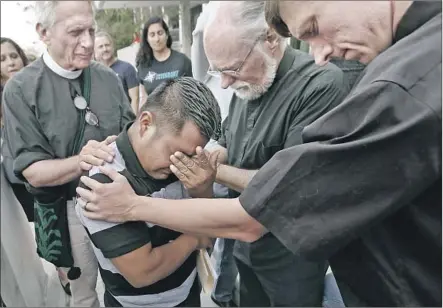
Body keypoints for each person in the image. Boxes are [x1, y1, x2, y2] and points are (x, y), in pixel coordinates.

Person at [77, 0, 442, 306]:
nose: (225, 82)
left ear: (269, 41)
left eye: (313, 28)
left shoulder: (343, 83)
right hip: (244, 253)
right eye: (219, 71)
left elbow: (270, 202)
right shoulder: (250, 86)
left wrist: (135, 205)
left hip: (290, 255)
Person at [2, 1, 135, 307]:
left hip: (120, 204)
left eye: (91, 29)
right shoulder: (21, 89)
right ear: (43, 32)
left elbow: (130, 135)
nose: (88, 42)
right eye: (75, 32)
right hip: (69, 212)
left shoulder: (109, 79)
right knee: (83, 295)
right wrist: (81, 160)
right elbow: (32, 171)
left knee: (127, 291)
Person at [75, 77, 221, 307]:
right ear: (145, 124)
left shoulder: (188, 165)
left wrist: (203, 190)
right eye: (176, 152)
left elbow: (212, 226)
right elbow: (143, 272)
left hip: (188, 293)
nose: (181, 165)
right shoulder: (102, 183)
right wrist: (196, 237)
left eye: (191, 156)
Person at [191, 3, 237, 307]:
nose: (225, 78)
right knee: (211, 235)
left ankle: (223, 292)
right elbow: (199, 41)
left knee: (231, 238)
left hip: (234, 168)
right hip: (212, 159)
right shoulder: (207, 80)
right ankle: (217, 289)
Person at [136, 17, 192, 104]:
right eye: (152, 35)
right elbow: (144, 98)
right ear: (147, 39)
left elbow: (192, 94)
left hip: (180, 115)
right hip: (155, 116)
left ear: (166, 34)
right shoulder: (143, 66)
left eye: (160, 33)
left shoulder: (182, 61)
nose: (157, 39)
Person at [95, 31, 140, 113]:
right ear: (95, 51)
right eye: (100, 47)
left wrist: (133, 123)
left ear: (112, 46)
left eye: (107, 45)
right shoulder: (94, 73)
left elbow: (135, 98)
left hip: (125, 121)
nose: (105, 49)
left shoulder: (127, 68)